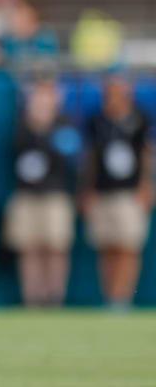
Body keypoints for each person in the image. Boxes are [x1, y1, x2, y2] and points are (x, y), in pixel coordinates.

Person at [4, 77, 78, 307]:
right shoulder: (21, 124)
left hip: (55, 194)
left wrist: (47, 126)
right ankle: (32, 297)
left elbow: (68, 153)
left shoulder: (64, 123)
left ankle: (55, 296)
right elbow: (14, 151)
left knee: (56, 247)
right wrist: (34, 123)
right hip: (27, 195)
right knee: (29, 247)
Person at [82, 75, 152, 309]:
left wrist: (146, 186)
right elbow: (89, 158)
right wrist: (88, 189)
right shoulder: (96, 120)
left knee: (128, 246)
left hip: (129, 193)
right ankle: (110, 296)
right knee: (107, 246)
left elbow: (146, 155)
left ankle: (122, 298)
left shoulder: (140, 118)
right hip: (103, 192)